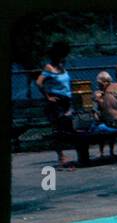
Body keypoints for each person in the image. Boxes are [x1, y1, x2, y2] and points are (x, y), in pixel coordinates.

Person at [35, 41, 75, 169]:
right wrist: (48, 96)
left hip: (67, 100)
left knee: (68, 127)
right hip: (56, 101)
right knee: (58, 128)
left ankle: (66, 155)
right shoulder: (49, 68)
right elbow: (39, 83)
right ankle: (61, 156)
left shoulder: (62, 67)